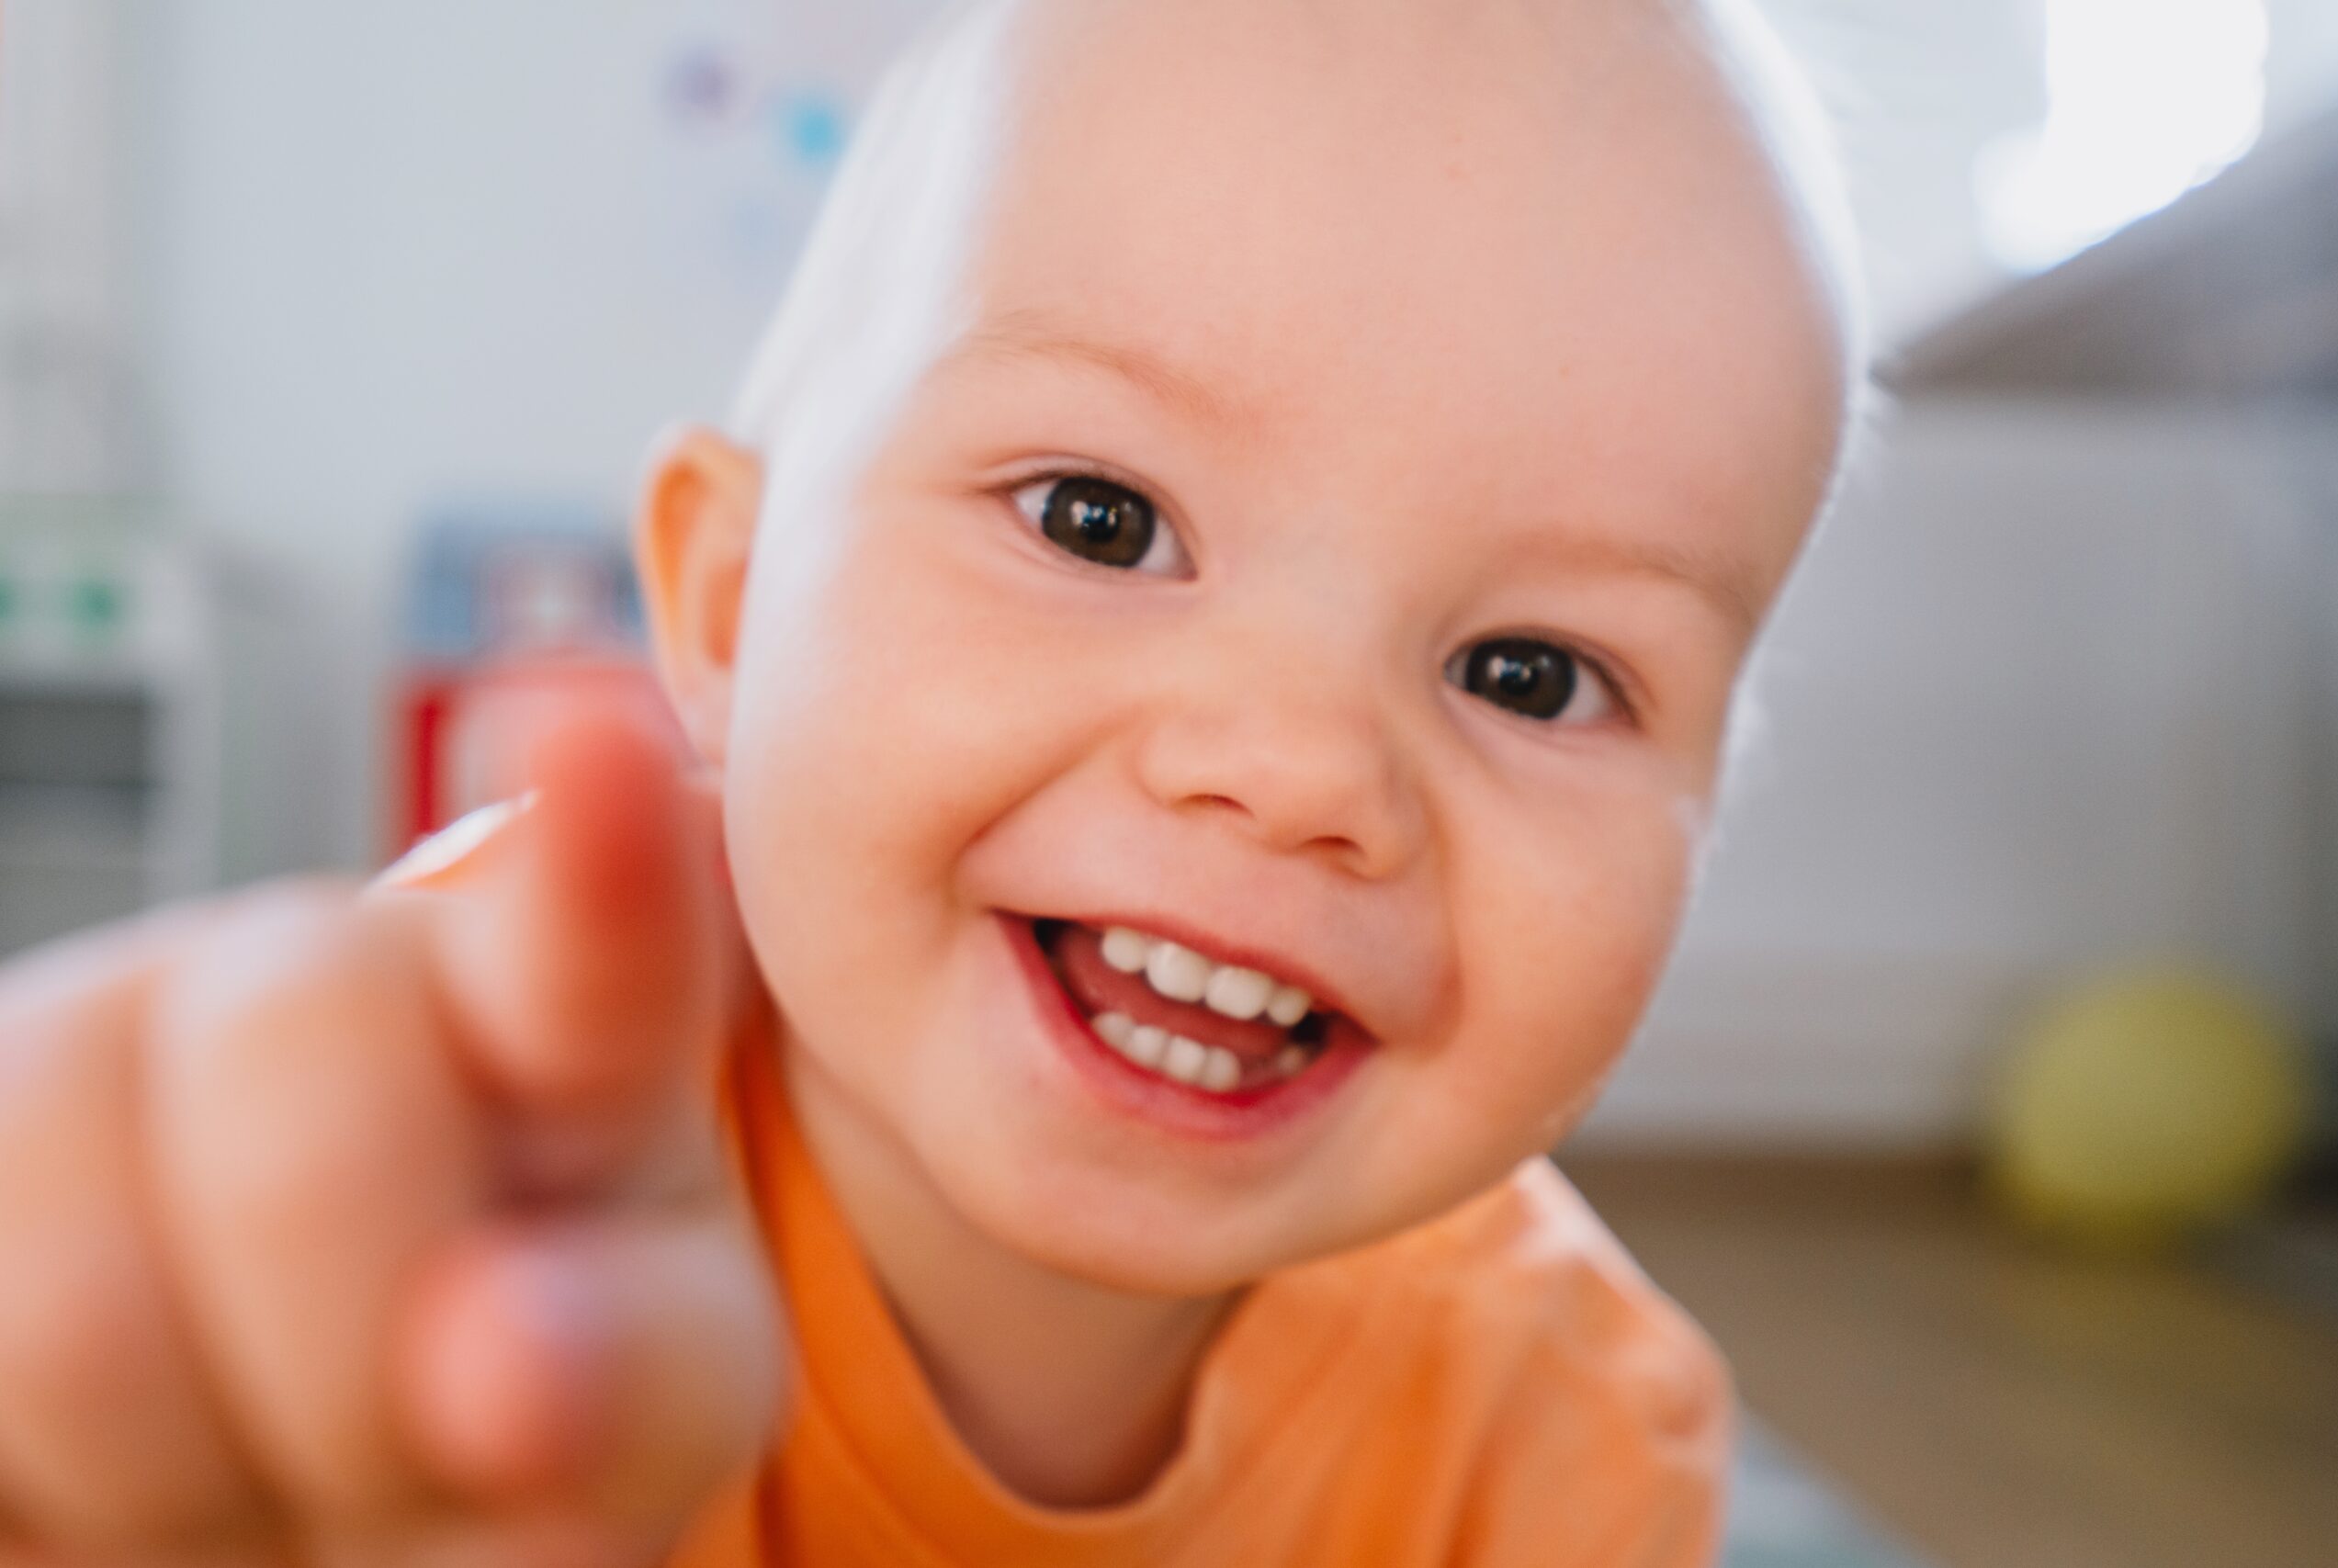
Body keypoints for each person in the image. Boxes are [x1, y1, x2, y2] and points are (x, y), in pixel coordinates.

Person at [0, 0, 1868, 1562]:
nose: (1298, 768)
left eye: (1526, 673)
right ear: (729, 606)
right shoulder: (473, 1148)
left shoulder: (1567, 1441)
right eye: (1098, 518)